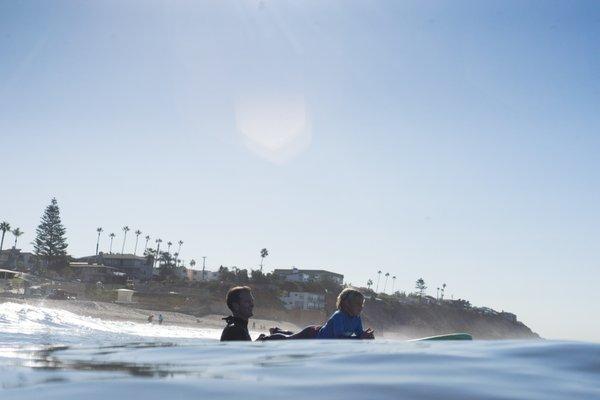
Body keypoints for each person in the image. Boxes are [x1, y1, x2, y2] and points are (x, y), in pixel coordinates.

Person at [258, 288, 374, 341]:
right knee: (290, 339)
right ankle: (265, 338)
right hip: (313, 335)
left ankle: (277, 330)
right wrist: (360, 338)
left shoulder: (356, 318)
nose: (361, 307)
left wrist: (365, 336)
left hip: (318, 332)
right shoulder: (339, 316)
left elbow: (359, 335)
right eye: (358, 304)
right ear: (346, 304)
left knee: (296, 336)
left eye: (362, 304)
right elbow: (339, 338)